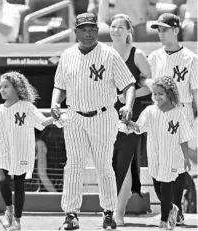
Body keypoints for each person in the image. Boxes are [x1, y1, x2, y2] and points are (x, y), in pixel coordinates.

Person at [51, 12, 136, 231]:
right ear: (76, 31)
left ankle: (109, 213)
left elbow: (128, 84)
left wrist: (127, 104)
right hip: (75, 116)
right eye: (84, 29)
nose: (88, 33)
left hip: (103, 115)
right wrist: (54, 103)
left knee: (104, 166)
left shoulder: (109, 54)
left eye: (92, 29)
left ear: (98, 31)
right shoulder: (67, 54)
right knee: (73, 166)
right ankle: (71, 215)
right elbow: (59, 85)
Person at [142, 12, 198, 225]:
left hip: (182, 110)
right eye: (159, 29)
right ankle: (172, 205)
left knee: (177, 163)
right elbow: (147, 84)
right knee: (156, 166)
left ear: (176, 30)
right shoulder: (155, 56)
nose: (161, 33)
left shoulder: (191, 58)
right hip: (158, 113)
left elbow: (195, 91)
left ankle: (176, 209)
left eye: (165, 29)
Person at [0, 71, 55, 230]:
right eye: (1, 87)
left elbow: (43, 122)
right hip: (4, 153)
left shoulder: (27, 107)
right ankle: (8, 210)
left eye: (6, 86)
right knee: (2, 182)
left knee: (19, 186)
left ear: (16, 88)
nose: (2, 90)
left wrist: (55, 117)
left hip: (23, 153)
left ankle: (17, 221)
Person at [128, 75, 194, 230]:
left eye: (160, 94)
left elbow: (183, 137)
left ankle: (164, 221)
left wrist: (185, 158)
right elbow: (139, 128)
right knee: (158, 189)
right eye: (154, 94)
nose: (157, 97)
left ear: (169, 93)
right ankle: (172, 208)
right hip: (154, 157)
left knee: (165, 189)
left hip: (171, 157)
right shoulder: (149, 111)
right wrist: (128, 122)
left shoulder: (178, 114)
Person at [109, 13, 151, 225]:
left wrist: (126, 96)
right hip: (105, 118)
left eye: (120, 27)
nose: (115, 30)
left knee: (124, 166)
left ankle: (118, 212)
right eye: (112, 26)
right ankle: (111, 209)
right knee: (109, 166)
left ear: (128, 31)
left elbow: (152, 87)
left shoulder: (137, 54)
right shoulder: (104, 53)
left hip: (130, 118)